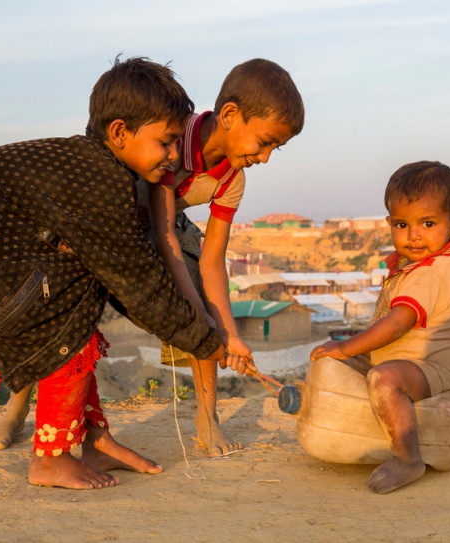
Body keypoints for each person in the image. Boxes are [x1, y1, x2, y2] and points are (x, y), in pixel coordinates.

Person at [0, 57, 226, 490]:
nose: (174, 156)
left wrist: (195, 333)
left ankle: (95, 439)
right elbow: (139, 287)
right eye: (166, 142)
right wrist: (205, 341)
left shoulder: (87, 162)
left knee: (80, 286)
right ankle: (51, 458)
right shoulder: (100, 183)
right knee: (70, 306)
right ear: (119, 132)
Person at [137, 58, 304, 457]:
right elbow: (165, 241)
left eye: (274, 149)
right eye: (264, 142)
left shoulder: (232, 179)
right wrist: (207, 326)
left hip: (170, 227)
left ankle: (207, 418)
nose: (264, 157)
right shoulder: (172, 139)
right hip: (127, 219)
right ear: (230, 115)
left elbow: (212, 260)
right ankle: (19, 407)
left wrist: (228, 333)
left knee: (206, 304)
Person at [310, 161, 450, 494]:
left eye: (427, 223)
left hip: (433, 369)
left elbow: (398, 324)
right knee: (333, 361)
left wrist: (345, 347)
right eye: (402, 224)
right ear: (389, 224)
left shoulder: (431, 273)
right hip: (402, 360)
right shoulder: (415, 266)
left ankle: (407, 458)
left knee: (384, 378)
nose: (413, 235)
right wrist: (341, 353)